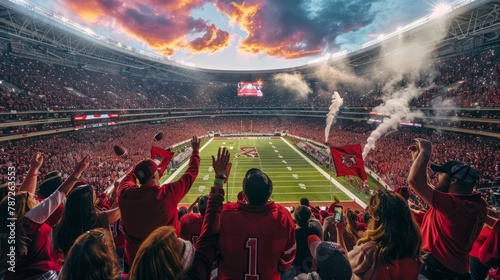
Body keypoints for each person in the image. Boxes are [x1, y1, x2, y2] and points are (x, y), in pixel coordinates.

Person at [129, 147, 230, 280]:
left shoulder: (126, 197)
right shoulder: (165, 194)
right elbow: (209, 233)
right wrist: (218, 178)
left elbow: (123, 186)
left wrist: (135, 169)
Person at [0, 153, 90, 280]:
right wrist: (77, 172)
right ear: (25, 207)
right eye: (33, 198)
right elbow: (58, 195)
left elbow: (23, 196)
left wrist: (34, 169)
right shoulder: (29, 222)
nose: (35, 197)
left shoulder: (10, 221)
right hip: (41, 275)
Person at [407, 138, 487, 280]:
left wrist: (425, 152)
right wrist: (417, 160)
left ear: (454, 181)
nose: (438, 176)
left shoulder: (453, 205)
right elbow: (431, 190)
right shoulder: (478, 203)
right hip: (460, 271)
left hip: (437, 268)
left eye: (442, 174)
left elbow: (415, 182)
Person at [118, 136, 200, 268]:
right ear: (154, 175)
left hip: (138, 263)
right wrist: (195, 152)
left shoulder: (124, 195)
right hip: (167, 259)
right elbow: (191, 173)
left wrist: (140, 170)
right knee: (190, 249)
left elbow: (127, 179)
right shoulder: (166, 194)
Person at [217, 168, 296, 280]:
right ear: (269, 193)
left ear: (244, 194)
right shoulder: (283, 218)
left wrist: (218, 180)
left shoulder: (224, 214)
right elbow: (286, 262)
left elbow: (212, 256)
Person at [348, 189, 423, 279]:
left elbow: (343, 264)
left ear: (378, 219)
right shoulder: (414, 251)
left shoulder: (370, 251)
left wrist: (339, 232)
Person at [52, 184, 121, 257]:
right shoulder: (97, 218)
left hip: (71, 265)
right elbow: (120, 211)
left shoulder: (64, 222)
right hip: (96, 264)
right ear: (89, 201)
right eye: (93, 193)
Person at [293, 205, 323, 274]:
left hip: (298, 268)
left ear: (295, 219)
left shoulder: (293, 234)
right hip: (312, 267)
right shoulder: (316, 228)